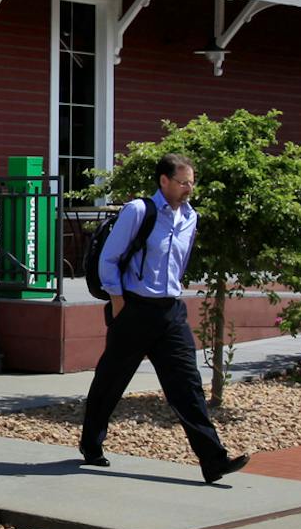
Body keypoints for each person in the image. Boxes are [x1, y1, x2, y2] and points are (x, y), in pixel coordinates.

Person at [76, 152, 250, 484]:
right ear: (164, 181)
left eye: (192, 183)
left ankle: (214, 461)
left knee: (187, 386)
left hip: (170, 312)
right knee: (111, 380)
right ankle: (91, 444)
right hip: (133, 309)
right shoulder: (139, 211)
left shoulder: (190, 219)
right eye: (183, 182)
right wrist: (117, 301)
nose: (189, 189)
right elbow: (109, 260)